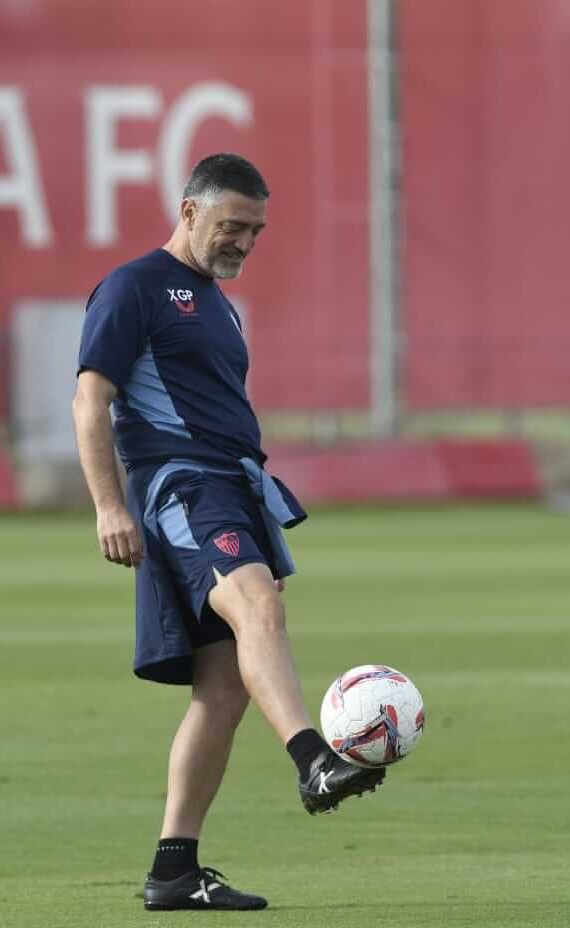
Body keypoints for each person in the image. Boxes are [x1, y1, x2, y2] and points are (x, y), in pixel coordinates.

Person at [71, 152, 386, 913]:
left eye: (255, 230)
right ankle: (313, 758)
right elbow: (90, 400)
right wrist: (109, 507)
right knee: (259, 608)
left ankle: (175, 869)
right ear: (188, 212)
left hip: (231, 489)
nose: (243, 241)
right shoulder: (135, 286)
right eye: (231, 225)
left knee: (221, 691)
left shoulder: (216, 303)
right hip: (182, 484)